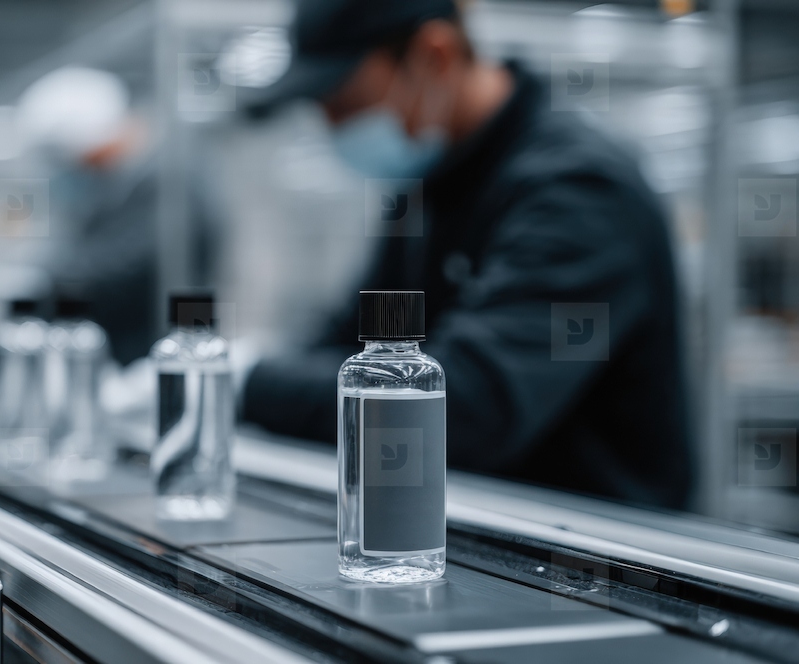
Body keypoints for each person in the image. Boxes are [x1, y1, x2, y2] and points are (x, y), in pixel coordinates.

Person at [239, 0, 691, 508]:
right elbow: (351, 336)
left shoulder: (581, 191)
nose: (332, 128)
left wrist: (249, 382)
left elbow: (470, 407)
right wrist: (256, 371)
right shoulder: (425, 190)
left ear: (435, 55)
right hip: (469, 517)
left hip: (590, 541)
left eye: (344, 103)